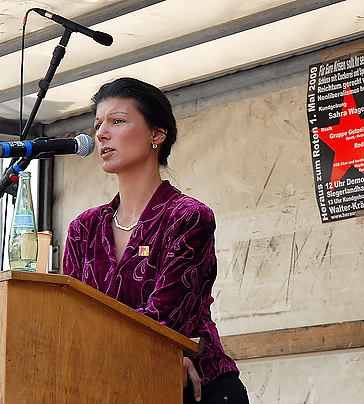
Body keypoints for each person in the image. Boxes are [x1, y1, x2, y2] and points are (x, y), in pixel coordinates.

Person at [63, 77, 250, 403]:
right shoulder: (84, 229)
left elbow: (166, 317)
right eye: (98, 124)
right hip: (113, 388)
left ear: (157, 134)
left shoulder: (188, 216)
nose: (101, 133)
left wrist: (155, 359)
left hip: (197, 388)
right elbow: (71, 321)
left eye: (117, 121)